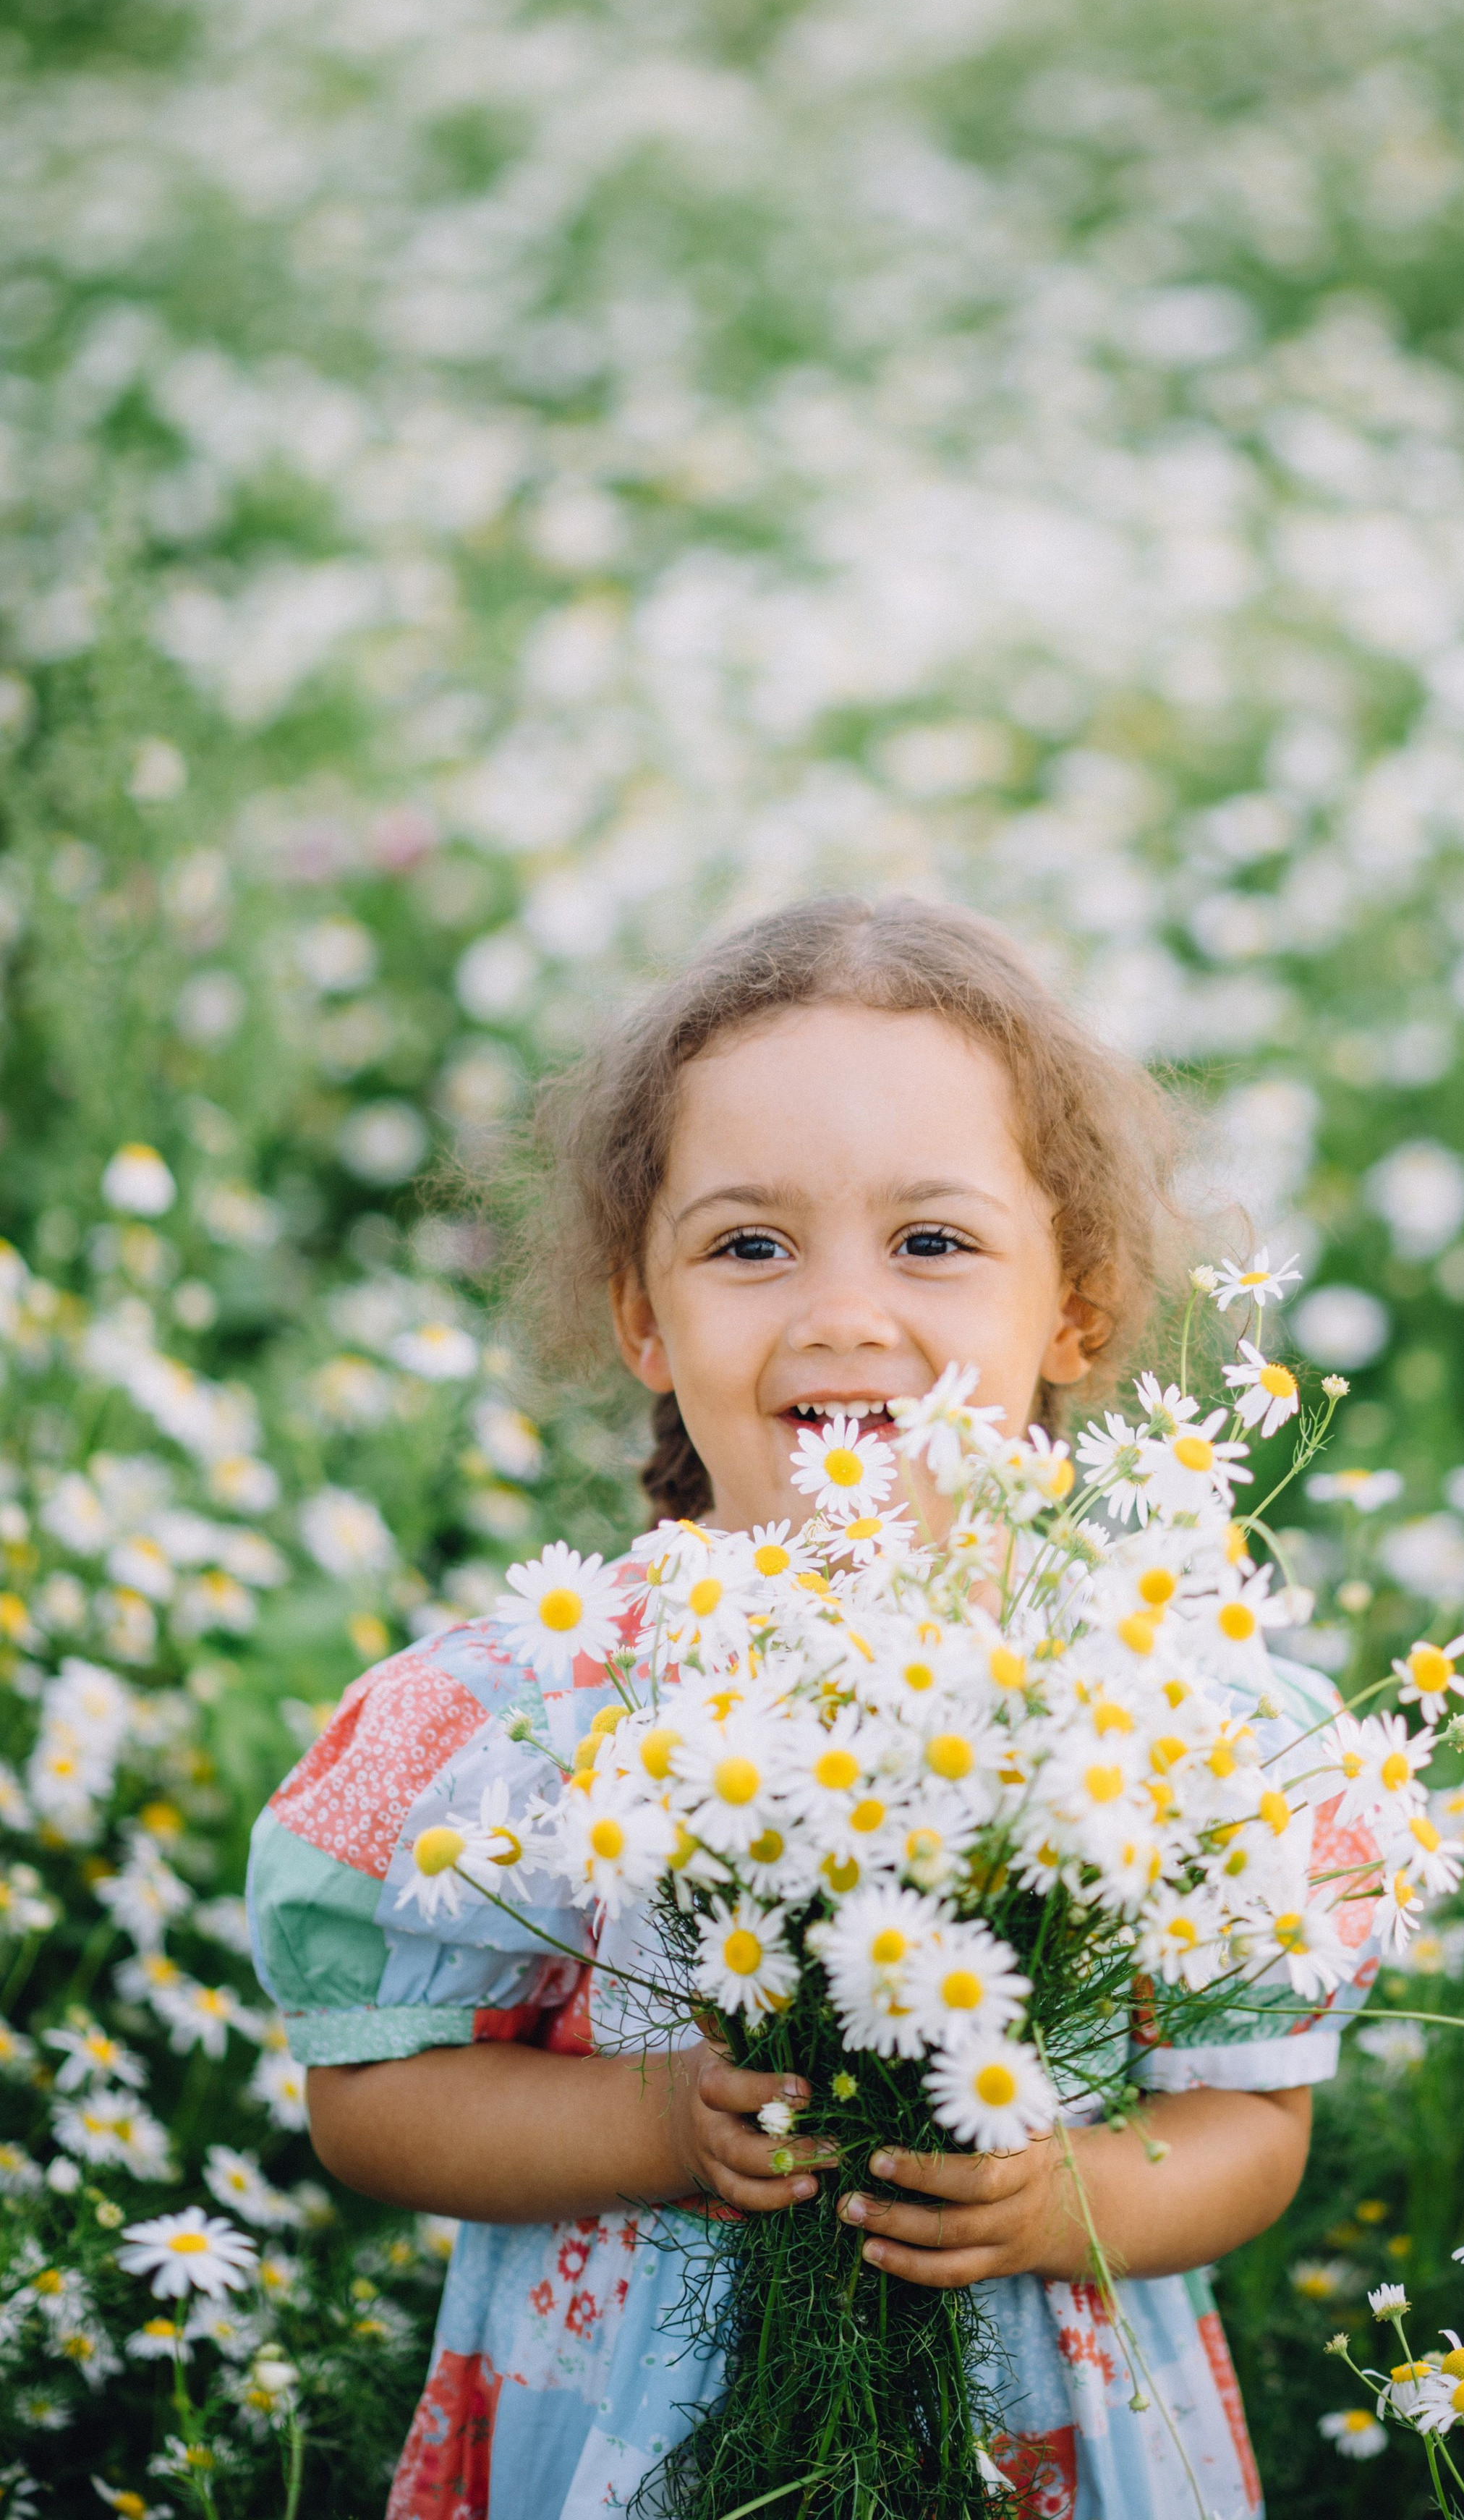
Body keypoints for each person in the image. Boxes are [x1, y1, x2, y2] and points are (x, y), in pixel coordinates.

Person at [247, 894, 1377, 2519]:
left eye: (932, 1242)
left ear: (1074, 1305)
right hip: (632, 2416)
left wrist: (1061, 2202)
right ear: (643, 1315)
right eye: (749, 1246)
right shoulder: (542, 1708)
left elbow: (1248, 2126)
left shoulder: (1171, 1719)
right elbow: (371, 2100)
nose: (841, 1312)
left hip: (1038, 2422)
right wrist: (650, 2125)